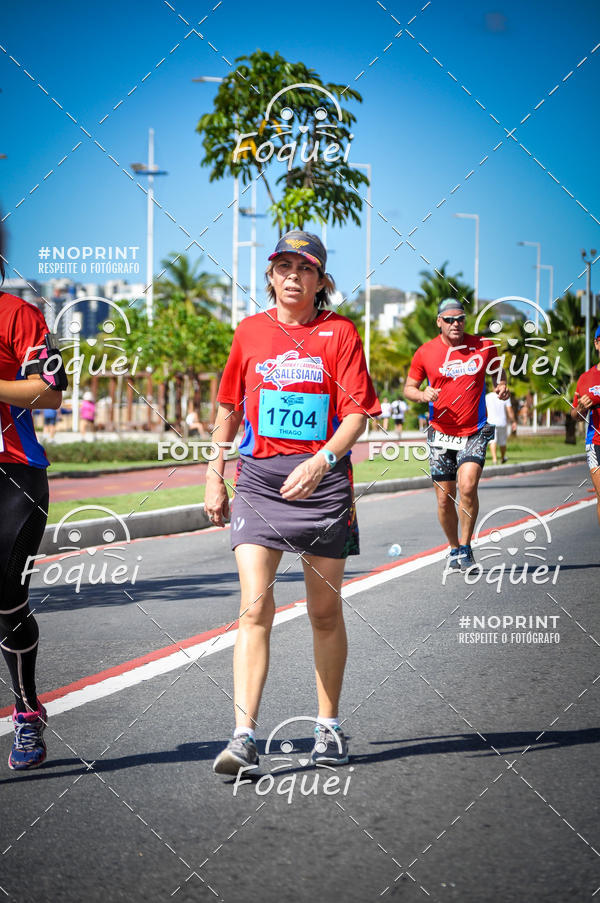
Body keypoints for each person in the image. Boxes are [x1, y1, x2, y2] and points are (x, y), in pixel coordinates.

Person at [205, 231, 380, 775]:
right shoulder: (250, 333)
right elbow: (229, 408)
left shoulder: (340, 334)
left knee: (324, 612)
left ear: (321, 281)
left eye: (304, 269)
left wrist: (322, 461)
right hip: (258, 483)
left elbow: (356, 414)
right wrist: (215, 474)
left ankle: (327, 727)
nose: (292, 277)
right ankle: (243, 737)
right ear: (270, 277)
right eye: (283, 267)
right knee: (254, 607)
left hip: (323, 485)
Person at [0, 220, 66, 769]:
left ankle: (26, 712)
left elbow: (50, 392)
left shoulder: (18, 315)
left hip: (13, 477)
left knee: (5, 599)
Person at [404, 298, 509, 571]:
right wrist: (422, 394)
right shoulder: (425, 352)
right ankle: (452, 548)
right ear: (439, 321)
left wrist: (501, 386)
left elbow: (499, 372)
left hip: (474, 429)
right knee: (443, 497)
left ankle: (465, 547)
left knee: (468, 486)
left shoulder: (484, 346)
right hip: (440, 432)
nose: (455, 324)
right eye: (449, 320)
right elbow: (409, 388)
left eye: (460, 319)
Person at [572, 325, 600, 526]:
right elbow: (575, 415)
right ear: (597, 344)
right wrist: (581, 408)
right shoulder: (586, 378)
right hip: (596, 442)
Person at [486, 390, 517, 464]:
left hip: (491, 421)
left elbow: (485, 410)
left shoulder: (487, 397)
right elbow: (509, 410)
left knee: (492, 441)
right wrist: (513, 421)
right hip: (502, 422)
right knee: (503, 442)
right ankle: (503, 458)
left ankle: (494, 459)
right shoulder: (505, 396)